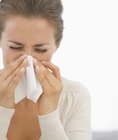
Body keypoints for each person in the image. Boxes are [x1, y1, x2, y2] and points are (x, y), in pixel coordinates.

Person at [0, 0, 91, 139]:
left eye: (40, 49)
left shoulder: (74, 96)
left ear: (57, 45)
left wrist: (49, 114)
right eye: (15, 47)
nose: (27, 59)